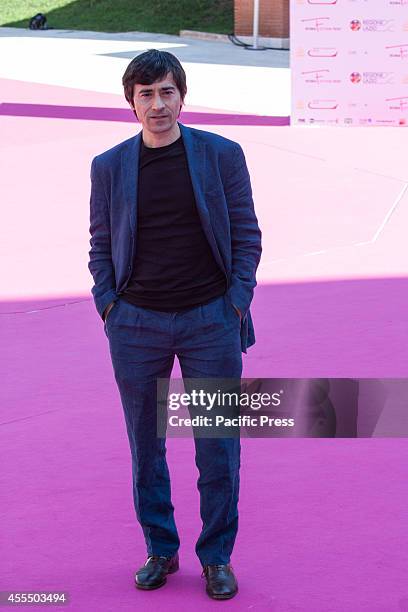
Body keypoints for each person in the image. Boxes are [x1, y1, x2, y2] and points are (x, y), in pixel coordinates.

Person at [88, 49, 262, 600]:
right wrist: (109, 305)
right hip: (135, 324)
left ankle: (216, 557)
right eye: (146, 94)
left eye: (167, 92)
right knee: (147, 447)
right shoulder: (109, 166)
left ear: (181, 96)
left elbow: (247, 234)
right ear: (131, 102)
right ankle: (161, 549)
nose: (158, 104)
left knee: (218, 446)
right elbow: (99, 244)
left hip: (210, 320)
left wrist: (234, 302)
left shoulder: (221, 155)